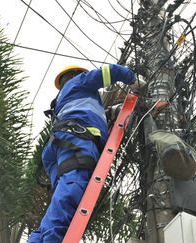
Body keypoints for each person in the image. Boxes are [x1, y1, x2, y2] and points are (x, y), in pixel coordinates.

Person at [28, 64, 136, 243]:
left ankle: (38, 239)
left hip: (59, 146)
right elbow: (108, 72)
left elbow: (88, 112)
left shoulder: (66, 97)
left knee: (62, 196)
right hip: (76, 140)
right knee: (72, 187)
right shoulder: (80, 82)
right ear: (76, 75)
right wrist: (132, 79)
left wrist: (112, 112)